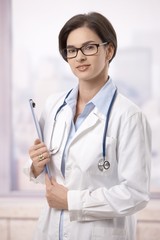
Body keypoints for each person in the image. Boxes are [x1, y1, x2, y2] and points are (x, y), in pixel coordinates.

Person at [24, 12, 151, 240]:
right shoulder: (54, 106)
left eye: (89, 47)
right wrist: (34, 165)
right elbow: (53, 172)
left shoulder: (129, 116)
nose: (79, 57)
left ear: (109, 50)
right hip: (50, 231)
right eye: (71, 50)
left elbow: (135, 194)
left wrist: (72, 201)